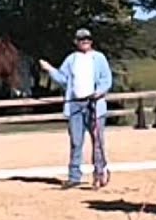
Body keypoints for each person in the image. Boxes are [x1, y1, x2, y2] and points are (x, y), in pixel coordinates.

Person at [40, 28, 113, 189]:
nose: (85, 41)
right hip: (75, 104)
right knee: (76, 141)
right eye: (81, 39)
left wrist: (99, 92)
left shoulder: (99, 58)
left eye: (87, 38)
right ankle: (74, 176)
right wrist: (50, 69)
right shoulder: (71, 59)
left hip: (94, 104)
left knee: (97, 141)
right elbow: (63, 79)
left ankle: (99, 173)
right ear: (76, 42)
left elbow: (106, 79)